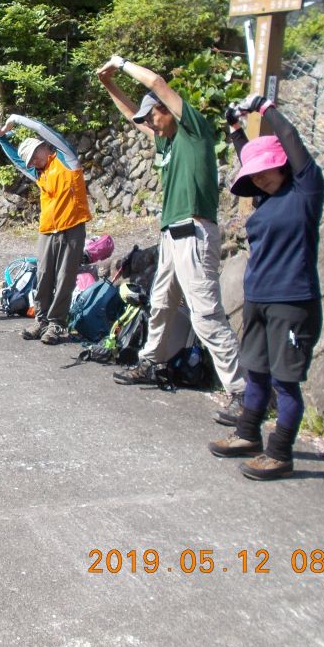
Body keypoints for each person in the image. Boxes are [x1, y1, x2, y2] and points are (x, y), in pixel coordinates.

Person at [97, 55, 245, 402]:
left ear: (168, 110)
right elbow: (134, 117)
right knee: (160, 303)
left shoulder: (194, 133)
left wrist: (120, 64)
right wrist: (109, 85)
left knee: (206, 315)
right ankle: (152, 361)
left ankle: (241, 392)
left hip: (194, 233)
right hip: (171, 236)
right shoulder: (167, 141)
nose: (151, 124)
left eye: (154, 116)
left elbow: (157, 83)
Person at [206, 95, 324, 480]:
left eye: (265, 171)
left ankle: (280, 453)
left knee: (285, 382)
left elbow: (291, 140)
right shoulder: (263, 196)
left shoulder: (305, 191)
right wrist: (234, 129)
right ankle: (247, 435)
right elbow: (249, 158)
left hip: (292, 301)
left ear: (284, 166)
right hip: (258, 297)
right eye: (253, 174)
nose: (258, 177)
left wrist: (264, 108)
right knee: (255, 372)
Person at [0, 115, 92, 345]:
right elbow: (17, 161)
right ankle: (41, 320)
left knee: (65, 277)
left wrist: (15, 119)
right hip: (48, 229)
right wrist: (2, 139)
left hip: (73, 227)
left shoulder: (66, 159)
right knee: (43, 275)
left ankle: (57, 323)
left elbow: (42, 127)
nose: (32, 163)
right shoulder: (39, 173)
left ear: (43, 147)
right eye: (30, 162)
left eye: (34, 157)